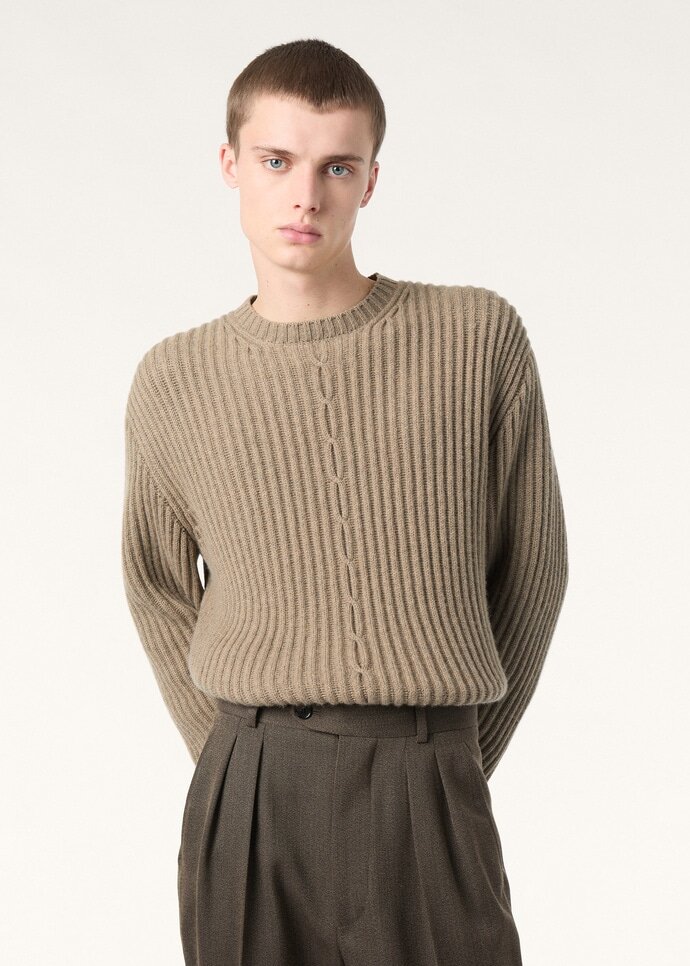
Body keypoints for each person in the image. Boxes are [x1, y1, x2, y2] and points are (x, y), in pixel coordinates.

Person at [120, 37, 569, 966]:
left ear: (370, 180)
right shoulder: (174, 379)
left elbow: (533, 566)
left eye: (337, 166)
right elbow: (157, 583)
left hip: (427, 771)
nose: (305, 195)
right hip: (252, 784)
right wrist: (232, 756)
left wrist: (451, 758)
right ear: (230, 163)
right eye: (276, 161)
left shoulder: (475, 337)